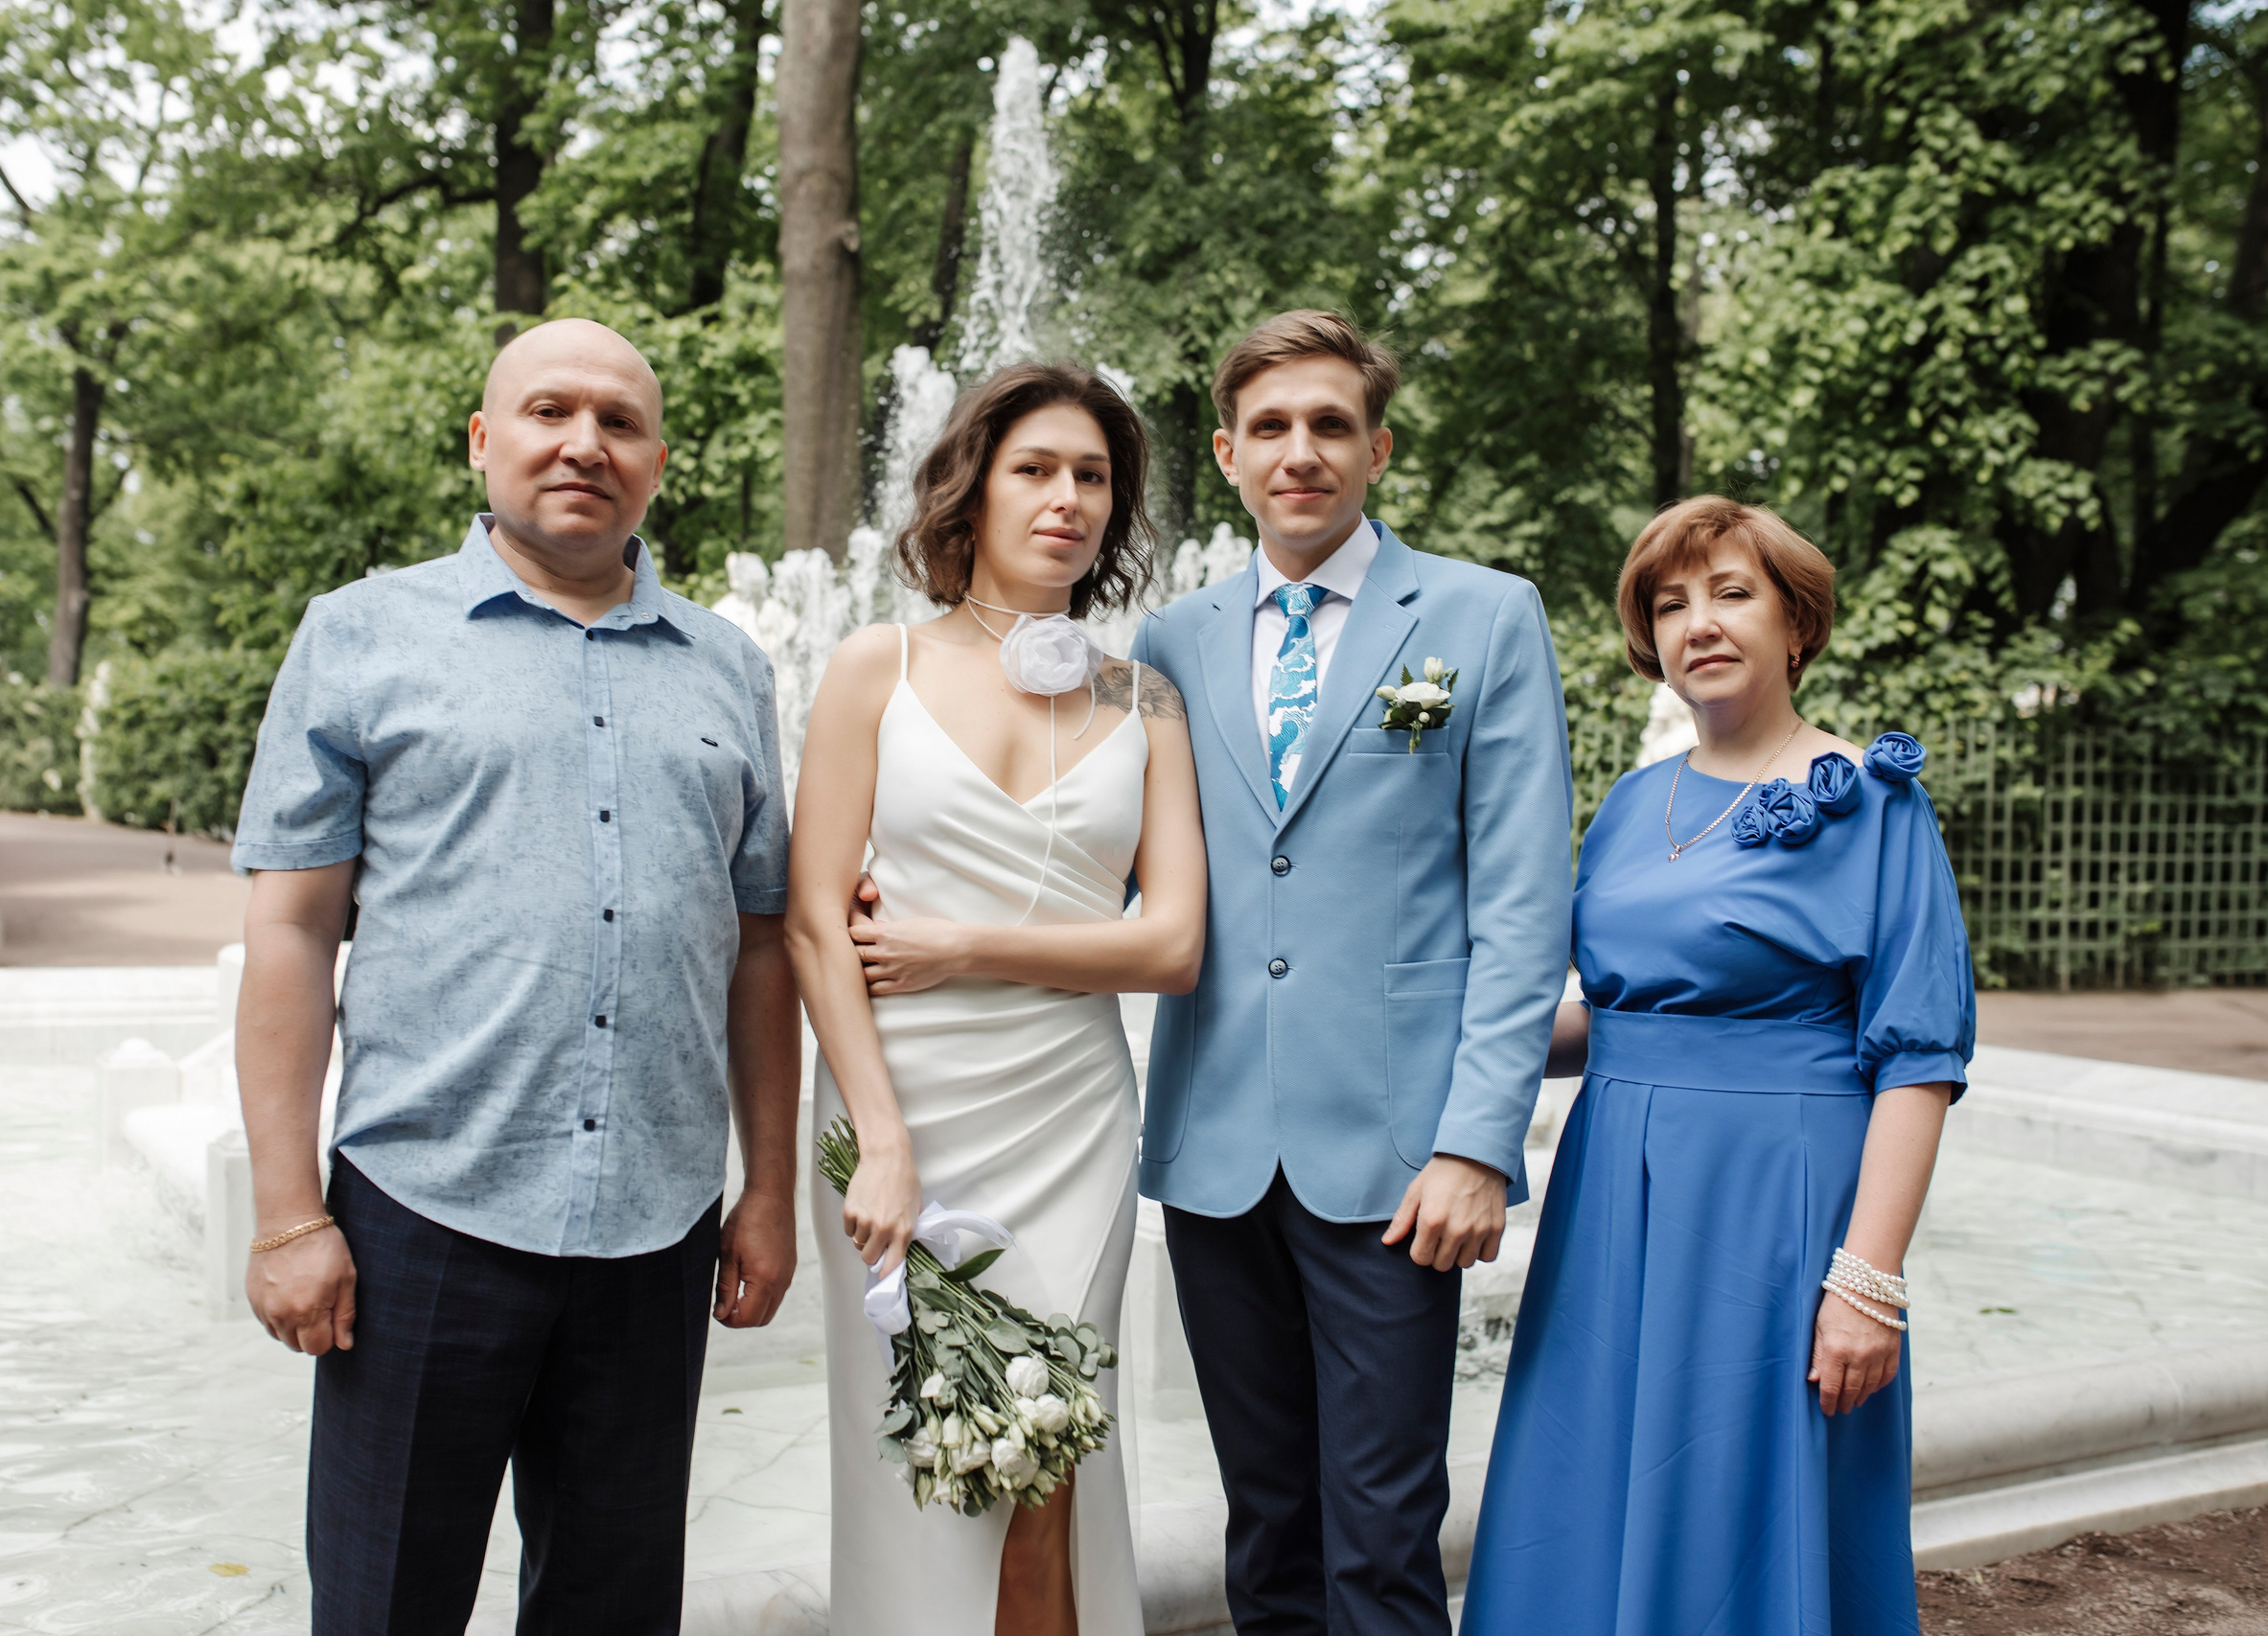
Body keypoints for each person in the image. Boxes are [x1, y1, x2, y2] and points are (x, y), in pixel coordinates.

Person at [230, 318, 801, 1636]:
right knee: (386, 1605)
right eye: (550, 411)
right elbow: (294, 933)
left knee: (614, 1609)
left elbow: (761, 942)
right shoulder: (361, 636)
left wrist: (766, 1187)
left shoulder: (731, 667)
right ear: (486, 441)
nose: (584, 443)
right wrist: (284, 1211)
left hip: (656, 1229)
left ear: (658, 462)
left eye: (619, 422)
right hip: (422, 1214)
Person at [1128, 311, 1574, 1636]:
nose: (1301, 451)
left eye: (1330, 425)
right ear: (1226, 453)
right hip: (1215, 1151)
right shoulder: (1171, 643)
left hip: (1396, 1160)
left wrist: (1477, 1142)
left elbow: (1521, 901)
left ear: (1376, 447)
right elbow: (1115, 867)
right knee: (1264, 1528)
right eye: (1271, 427)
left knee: (1380, 1535)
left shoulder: (1484, 617)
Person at [1461, 496, 1973, 1635]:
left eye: (1732, 593)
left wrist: (1866, 1282)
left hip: (1774, 1204)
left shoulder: (1870, 802)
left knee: (1743, 1497)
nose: (1698, 621)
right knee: (1584, 1475)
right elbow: (1622, 1021)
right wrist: (1426, 1045)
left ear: (1796, 624)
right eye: (1670, 602)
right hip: (1611, 1201)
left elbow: (1918, 1059)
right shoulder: (1634, 804)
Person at [787, 362, 1203, 1636]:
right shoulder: (876, 667)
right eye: (1037, 468)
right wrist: (886, 1139)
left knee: (1051, 1456)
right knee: (921, 1466)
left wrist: (966, 941)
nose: (1068, 497)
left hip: (1070, 1115)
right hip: (897, 1103)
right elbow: (814, 923)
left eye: (1093, 475)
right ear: (972, 489)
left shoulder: (1148, 700)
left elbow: (1176, 942)